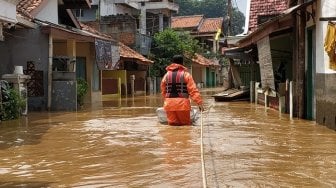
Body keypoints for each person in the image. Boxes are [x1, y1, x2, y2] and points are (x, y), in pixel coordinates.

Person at [160, 54, 204, 126]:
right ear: (182, 63)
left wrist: (167, 101)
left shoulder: (166, 75)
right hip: (183, 105)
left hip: (169, 105)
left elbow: (163, 91)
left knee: (172, 126)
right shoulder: (186, 75)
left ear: (172, 62)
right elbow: (193, 90)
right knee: (185, 126)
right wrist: (199, 103)